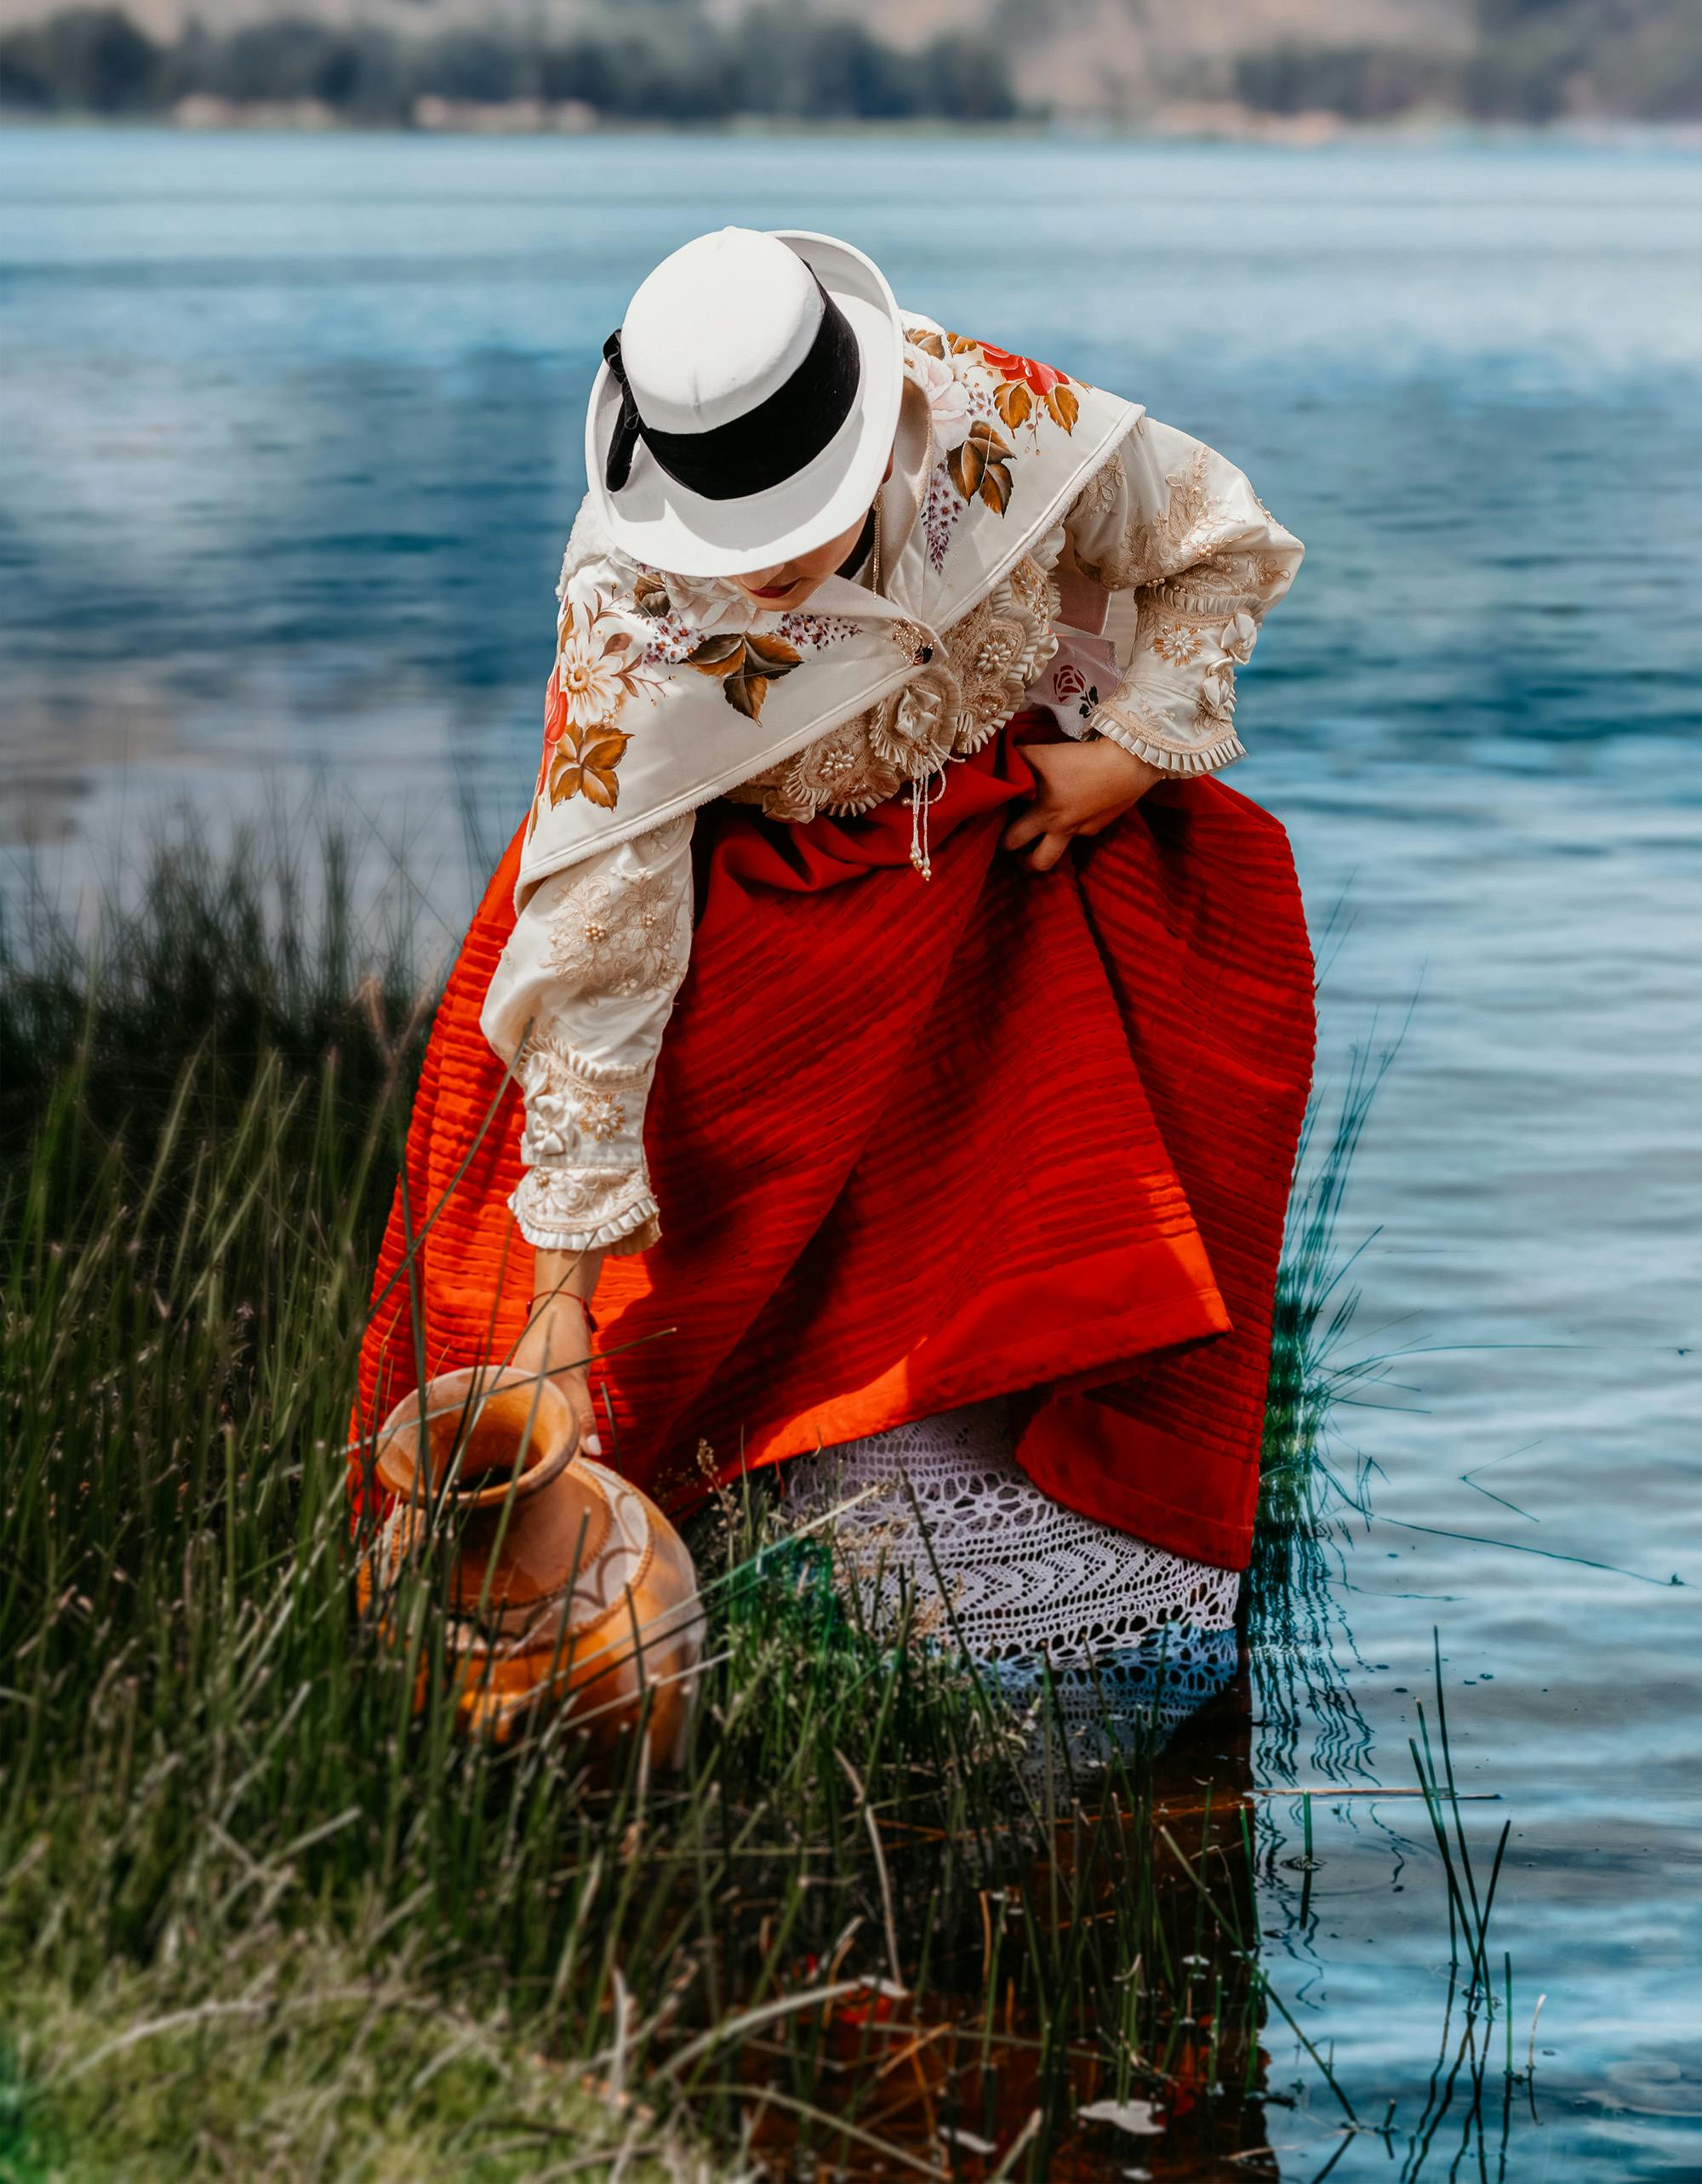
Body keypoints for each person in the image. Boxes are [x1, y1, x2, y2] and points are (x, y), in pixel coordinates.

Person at [354, 225, 1314, 1716]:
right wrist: (562, 1291)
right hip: (740, 912)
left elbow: (1213, 542)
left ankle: (1072, 1487)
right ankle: (629, 1584)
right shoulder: (634, 627)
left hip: (994, 857)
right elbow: (607, 945)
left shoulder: (990, 418)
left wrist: (1127, 759)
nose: (772, 567)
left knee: (1194, 1015)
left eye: (799, 518)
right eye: (735, 537)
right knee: (610, 1296)